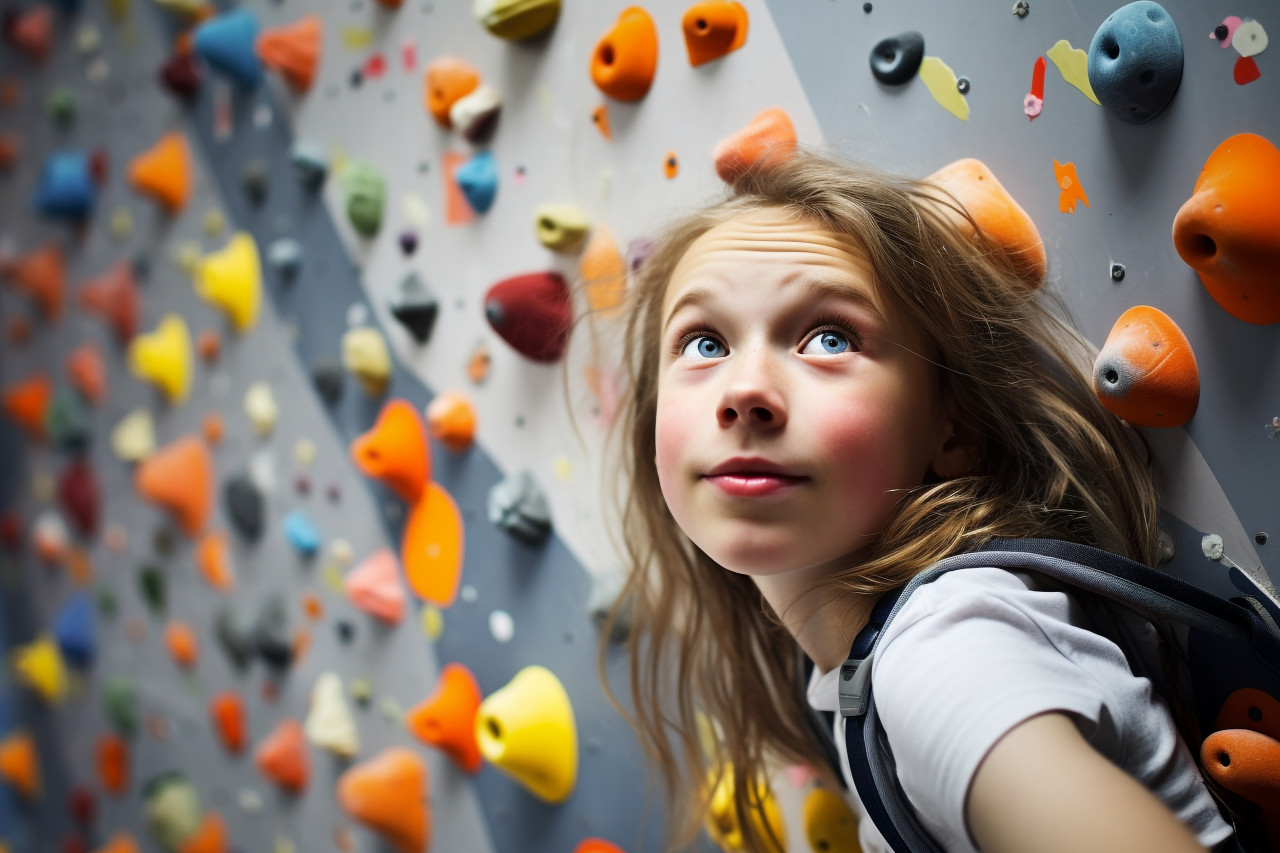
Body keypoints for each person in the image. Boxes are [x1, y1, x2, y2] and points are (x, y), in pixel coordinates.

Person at [601, 149, 1234, 853]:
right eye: (703, 343)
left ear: (953, 433)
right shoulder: (870, 668)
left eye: (829, 338)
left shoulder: (942, 651)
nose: (745, 389)